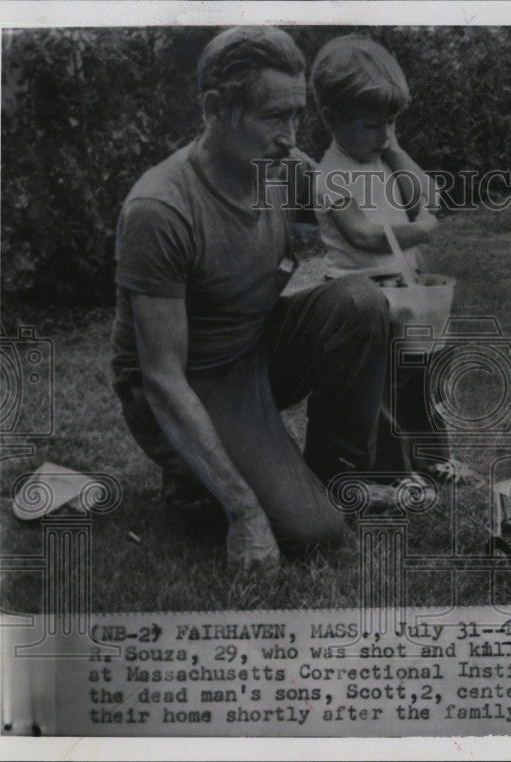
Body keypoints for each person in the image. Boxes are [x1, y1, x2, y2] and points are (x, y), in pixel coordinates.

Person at [110, 26, 391, 570]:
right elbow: (161, 379)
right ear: (216, 108)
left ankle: (334, 484)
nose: (290, 136)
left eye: (296, 115)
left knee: (361, 304)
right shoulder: (161, 209)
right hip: (191, 378)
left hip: (253, 347)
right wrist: (245, 513)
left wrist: (395, 170)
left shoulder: (281, 169)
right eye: (272, 116)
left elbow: (362, 230)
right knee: (313, 534)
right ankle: (198, 483)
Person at [309, 34, 474, 484]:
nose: (383, 134)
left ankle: (433, 456)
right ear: (331, 119)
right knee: (380, 385)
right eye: (371, 125)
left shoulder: (382, 156)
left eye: (392, 122)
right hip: (361, 292)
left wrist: (395, 149)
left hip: (407, 283)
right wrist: (417, 229)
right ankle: (392, 469)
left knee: (424, 372)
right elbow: (361, 233)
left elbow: (427, 193)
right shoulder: (331, 173)